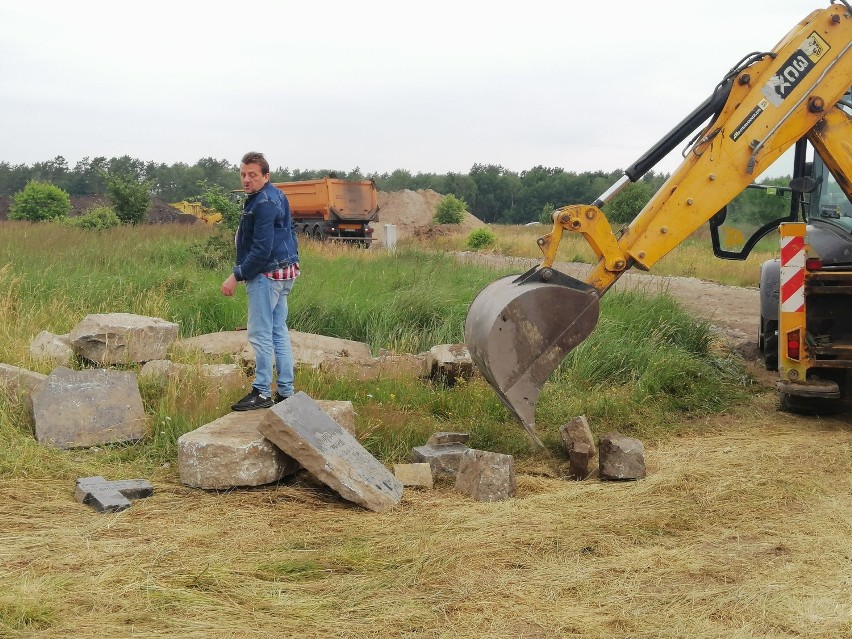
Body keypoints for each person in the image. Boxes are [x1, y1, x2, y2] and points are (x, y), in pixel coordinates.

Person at [221, 151, 300, 410]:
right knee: (278, 332)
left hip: (267, 275)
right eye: (243, 174)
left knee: (260, 334)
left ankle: (262, 392)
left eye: (252, 175)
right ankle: (286, 391)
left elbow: (262, 250)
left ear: (266, 176)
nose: (246, 179)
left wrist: (237, 274)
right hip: (283, 273)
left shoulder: (263, 203)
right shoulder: (275, 194)